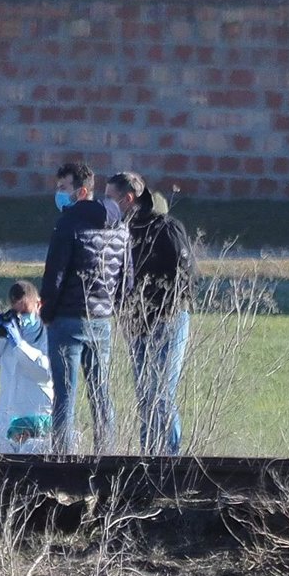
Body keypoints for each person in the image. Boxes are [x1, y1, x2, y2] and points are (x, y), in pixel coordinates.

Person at [41, 161, 132, 454]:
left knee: (65, 396)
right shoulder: (120, 225)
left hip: (67, 319)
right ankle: (106, 457)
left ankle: (62, 460)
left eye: (63, 187)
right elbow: (126, 279)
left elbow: (54, 275)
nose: (59, 193)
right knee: (101, 394)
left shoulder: (68, 223)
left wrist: (47, 313)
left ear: (81, 191)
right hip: (102, 321)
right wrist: (113, 308)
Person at [105, 172, 197, 455]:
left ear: (128, 199)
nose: (105, 204)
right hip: (137, 324)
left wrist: (160, 308)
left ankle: (169, 458)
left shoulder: (166, 228)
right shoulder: (121, 231)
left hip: (167, 320)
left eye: (110, 198)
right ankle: (148, 457)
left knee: (161, 393)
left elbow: (186, 277)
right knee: (145, 395)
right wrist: (126, 312)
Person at [0, 280, 53, 453]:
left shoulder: (49, 333)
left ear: (38, 304)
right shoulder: (8, 332)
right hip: (5, 424)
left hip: (36, 424)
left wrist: (19, 345)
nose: (21, 318)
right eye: (17, 313)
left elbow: (45, 372)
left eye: (25, 312)